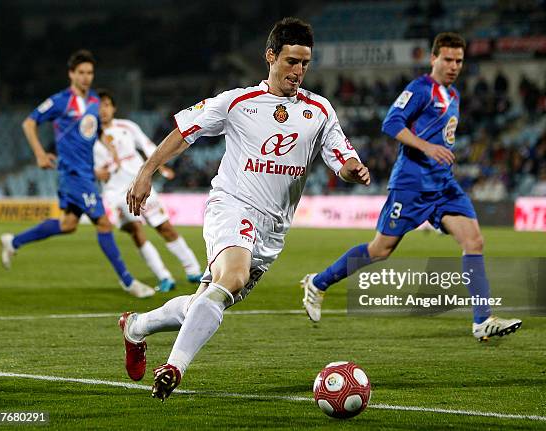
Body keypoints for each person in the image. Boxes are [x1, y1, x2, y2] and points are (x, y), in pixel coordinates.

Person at [120, 17, 370, 401]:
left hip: (274, 231)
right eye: (291, 61)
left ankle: (137, 327)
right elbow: (185, 132)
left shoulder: (319, 110)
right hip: (232, 206)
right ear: (270, 56)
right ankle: (174, 367)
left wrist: (353, 171)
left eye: (305, 63)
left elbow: (342, 157)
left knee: (207, 299)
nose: (298, 71)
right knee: (232, 277)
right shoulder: (236, 102)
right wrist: (145, 171)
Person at [301, 33, 522, 341]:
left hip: (443, 186)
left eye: (459, 60)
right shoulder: (420, 89)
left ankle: (482, 321)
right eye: (447, 59)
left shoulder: (454, 95)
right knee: (380, 250)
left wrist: (439, 152)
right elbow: (391, 123)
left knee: (474, 241)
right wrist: (427, 148)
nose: (453, 66)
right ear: (433, 58)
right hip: (411, 186)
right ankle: (319, 282)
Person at [0, 50, 154, 299]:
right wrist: (39, 153)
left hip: (85, 173)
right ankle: (128, 282)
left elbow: (93, 130)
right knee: (103, 223)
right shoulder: (60, 101)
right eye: (81, 72)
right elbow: (29, 123)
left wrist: (108, 144)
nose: (86, 77)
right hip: (73, 175)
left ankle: (13, 242)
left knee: (68, 225)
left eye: (89, 73)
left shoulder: (93, 101)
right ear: (71, 74)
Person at [94, 89, 203, 292]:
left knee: (164, 227)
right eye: (99, 106)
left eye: (106, 104)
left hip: (138, 183)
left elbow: (147, 146)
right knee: (136, 231)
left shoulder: (127, 126)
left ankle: (194, 270)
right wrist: (97, 172)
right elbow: (89, 167)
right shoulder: (89, 137)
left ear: (113, 107)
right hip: (115, 193)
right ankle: (164, 277)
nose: (103, 109)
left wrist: (161, 166)